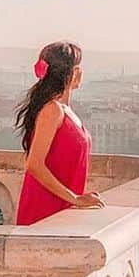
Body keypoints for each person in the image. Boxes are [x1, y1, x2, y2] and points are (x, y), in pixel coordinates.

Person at [14, 41, 104, 224]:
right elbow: (34, 164)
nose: (81, 72)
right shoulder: (52, 110)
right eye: (78, 66)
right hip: (44, 210)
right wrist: (75, 199)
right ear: (70, 73)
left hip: (61, 209)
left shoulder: (64, 111)